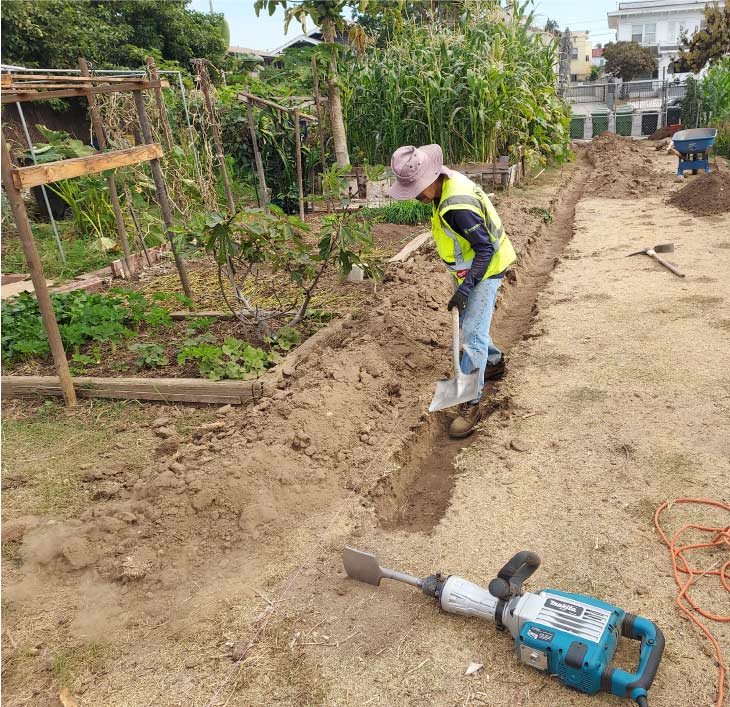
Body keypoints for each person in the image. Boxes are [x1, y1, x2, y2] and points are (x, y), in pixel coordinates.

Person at [389, 144, 516, 438]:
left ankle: (470, 402)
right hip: (469, 267)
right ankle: (494, 363)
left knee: (472, 332)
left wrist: (466, 287)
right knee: (476, 324)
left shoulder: (456, 207)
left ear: (431, 177)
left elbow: (486, 249)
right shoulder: (444, 187)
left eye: (417, 190)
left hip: (487, 266)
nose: (417, 197)